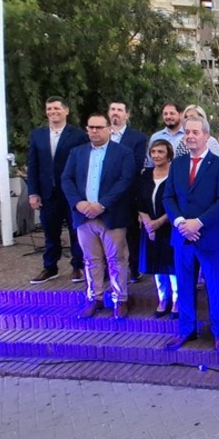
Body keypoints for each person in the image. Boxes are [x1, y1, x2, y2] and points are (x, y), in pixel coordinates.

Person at [163, 115, 219, 352]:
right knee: (184, 285)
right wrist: (182, 222)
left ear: (206, 136)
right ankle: (186, 330)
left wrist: (199, 222)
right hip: (183, 236)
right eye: (187, 132)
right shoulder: (178, 164)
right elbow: (168, 197)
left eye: (195, 132)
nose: (190, 136)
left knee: (215, 286)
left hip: (211, 237)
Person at [61, 114, 136, 320]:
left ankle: (120, 299)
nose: (94, 131)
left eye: (99, 127)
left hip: (112, 215)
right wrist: (79, 203)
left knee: (117, 259)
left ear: (109, 128)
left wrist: (102, 204)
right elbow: (66, 179)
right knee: (91, 260)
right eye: (91, 127)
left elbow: (126, 180)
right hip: (84, 216)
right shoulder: (77, 153)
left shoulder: (123, 153)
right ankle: (95, 297)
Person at [27, 96, 89, 284]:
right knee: (50, 232)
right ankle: (50, 267)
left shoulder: (77, 135)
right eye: (49, 109)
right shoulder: (37, 135)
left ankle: (77, 266)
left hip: (71, 194)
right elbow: (33, 165)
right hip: (47, 193)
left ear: (66, 111)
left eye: (56, 109)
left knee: (75, 231)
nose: (53, 112)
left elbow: (82, 166)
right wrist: (33, 192)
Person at [108, 101, 148, 283]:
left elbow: (136, 164)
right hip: (103, 195)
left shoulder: (137, 138)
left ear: (127, 115)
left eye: (120, 110)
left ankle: (134, 268)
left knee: (132, 233)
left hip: (128, 193)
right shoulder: (101, 134)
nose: (116, 113)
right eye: (113, 109)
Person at [138, 140, 177, 318]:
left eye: (160, 152)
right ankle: (163, 299)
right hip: (149, 228)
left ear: (169, 154)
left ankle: (177, 300)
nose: (156, 155)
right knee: (156, 266)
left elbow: (178, 203)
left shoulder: (175, 174)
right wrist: (148, 223)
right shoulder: (145, 174)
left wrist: (159, 222)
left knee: (172, 266)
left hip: (170, 226)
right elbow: (137, 200)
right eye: (153, 151)